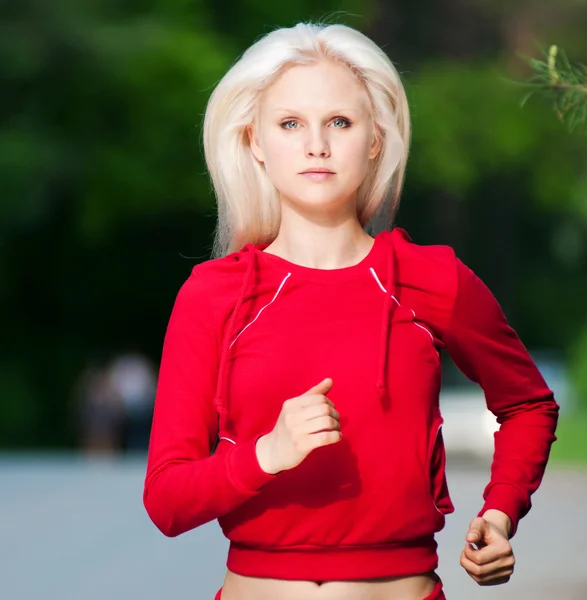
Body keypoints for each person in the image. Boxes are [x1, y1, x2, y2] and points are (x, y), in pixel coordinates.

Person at [142, 21, 559, 600]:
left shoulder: (433, 279)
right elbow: (166, 500)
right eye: (290, 124)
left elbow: (528, 405)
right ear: (255, 142)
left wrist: (501, 511)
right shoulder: (213, 294)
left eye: (339, 122)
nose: (317, 144)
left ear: (375, 140)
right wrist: (266, 454)